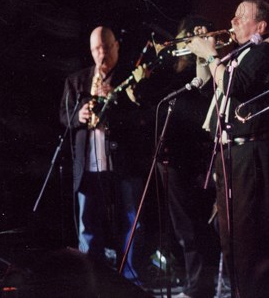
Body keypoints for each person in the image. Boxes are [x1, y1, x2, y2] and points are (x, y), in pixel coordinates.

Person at [185, 0, 269, 298]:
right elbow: (206, 83)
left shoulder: (262, 52)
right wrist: (203, 56)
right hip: (229, 151)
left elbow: (234, 85)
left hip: (248, 151)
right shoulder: (240, 53)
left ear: (260, 26)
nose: (233, 21)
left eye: (241, 17)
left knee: (246, 234)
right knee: (229, 235)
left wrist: (212, 55)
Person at [126, 16, 219, 298]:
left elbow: (207, 89)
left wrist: (205, 51)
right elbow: (146, 97)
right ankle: (196, 285)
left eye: (198, 33)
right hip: (171, 157)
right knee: (184, 228)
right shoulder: (171, 70)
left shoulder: (202, 66)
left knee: (197, 228)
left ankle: (201, 288)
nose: (193, 38)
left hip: (197, 156)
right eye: (190, 34)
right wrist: (141, 81)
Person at [59, 26, 146, 284]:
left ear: (116, 46)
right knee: (88, 228)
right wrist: (78, 117)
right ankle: (92, 281)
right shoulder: (77, 80)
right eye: (96, 48)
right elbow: (63, 116)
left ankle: (131, 281)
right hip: (88, 166)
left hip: (122, 165)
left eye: (106, 47)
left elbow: (141, 116)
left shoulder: (131, 76)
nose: (102, 54)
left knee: (132, 225)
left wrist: (116, 103)